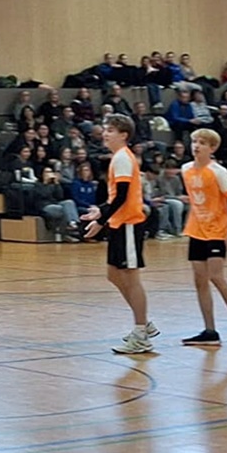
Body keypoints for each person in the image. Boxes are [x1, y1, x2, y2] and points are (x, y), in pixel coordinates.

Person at [80, 114, 159, 354]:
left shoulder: (124, 158)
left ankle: (140, 333)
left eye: (111, 130)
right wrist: (101, 211)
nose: (105, 133)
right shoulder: (118, 158)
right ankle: (144, 322)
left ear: (124, 135)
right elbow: (116, 197)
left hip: (129, 224)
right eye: (105, 129)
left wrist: (101, 220)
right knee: (113, 274)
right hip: (118, 223)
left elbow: (124, 197)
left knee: (131, 278)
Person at [179, 129, 227, 348]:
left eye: (202, 143)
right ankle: (210, 330)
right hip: (196, 229)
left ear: (212, 148)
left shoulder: (218, 172)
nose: (196, 146)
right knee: (200, 280)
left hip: (216, 231)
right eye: (194, 141)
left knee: (216, 277)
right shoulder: (186, 169)